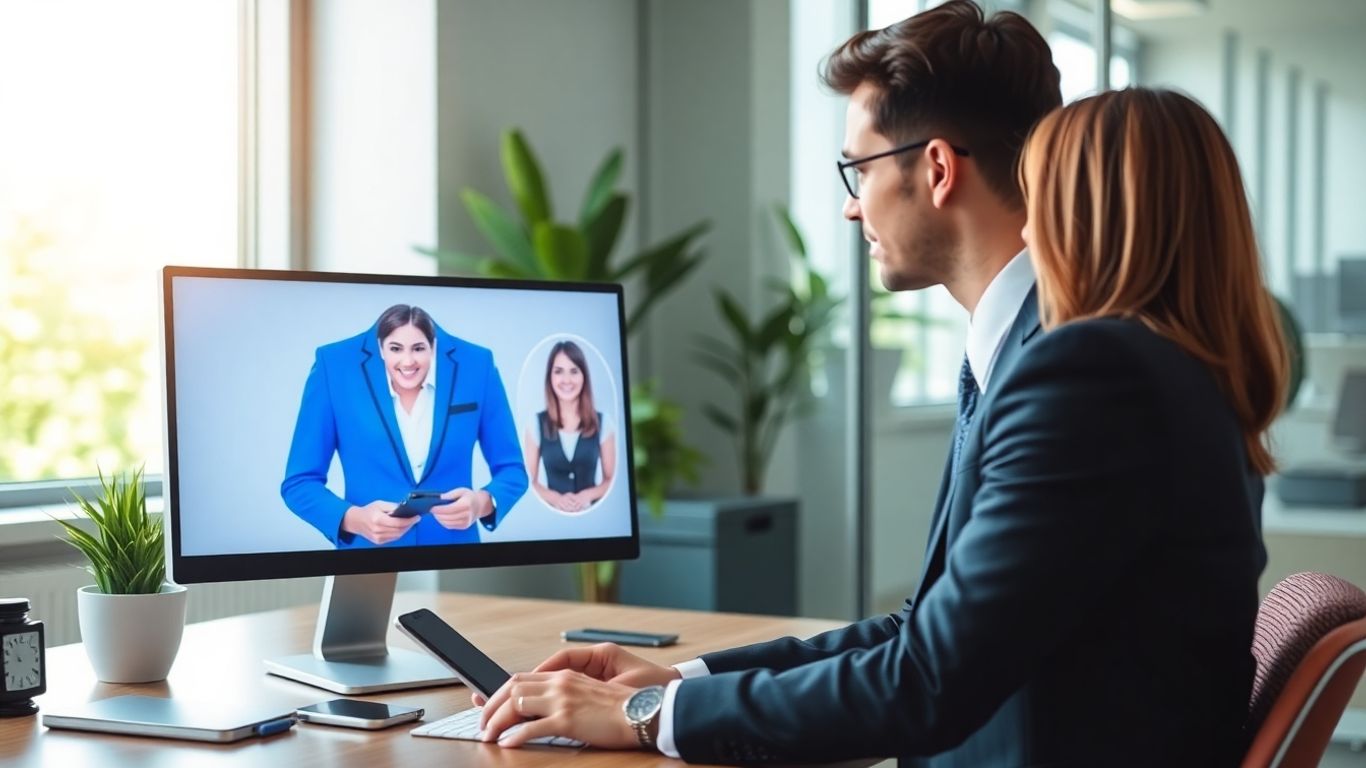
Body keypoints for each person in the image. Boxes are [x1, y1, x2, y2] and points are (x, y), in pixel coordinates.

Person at [470, 6, 1288, 768]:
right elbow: (922, 627)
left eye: (855, 170)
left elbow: (928, 679)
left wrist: (648, 717)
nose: (851, 209)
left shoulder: (1084, 372)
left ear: (935, 169)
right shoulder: (1040, 353)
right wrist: (681, 684)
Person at [281, 303, 529, 549]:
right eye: (396, 349)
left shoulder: (477, 364)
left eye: (419, 349)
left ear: (433, 347)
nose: (408, 362)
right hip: (366, 560)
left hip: (455, 558)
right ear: (380, 349)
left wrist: (481, 503)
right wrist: (354, 520)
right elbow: (299, 483)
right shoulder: (334, 365)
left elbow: (513, 470)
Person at [523, 339, 618, 513]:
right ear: (550, 377)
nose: (567, 380)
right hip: (552, 518)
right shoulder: (535, 423)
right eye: (559, 371)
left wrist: (587, 495)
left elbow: (610, 479)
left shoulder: (604, 422)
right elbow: (530, 481)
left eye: (574, 371)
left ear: (584, 376)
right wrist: (557, 499)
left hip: (594, 517)